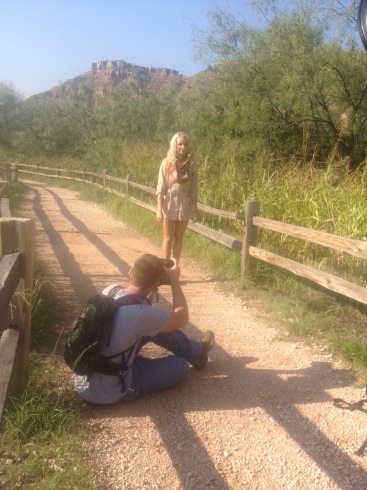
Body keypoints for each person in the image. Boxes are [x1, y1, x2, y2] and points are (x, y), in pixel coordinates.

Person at [74, 254, 214, 406]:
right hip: (109, 390)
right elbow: (182, 318)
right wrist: (174, 280)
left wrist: (151, 286)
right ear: (157, 283)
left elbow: (137, 309)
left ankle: (197, 352)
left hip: (86, 377)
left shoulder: (110, 291)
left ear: (131, 272)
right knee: (181, 365)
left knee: (157, 326)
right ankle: (195, 354)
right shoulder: (142, 314)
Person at [156, 132, 198, 263]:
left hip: (184, 205)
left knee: (179, 239)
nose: (183, 147)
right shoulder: (166, 163)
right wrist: (159, 210)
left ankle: (174, 268)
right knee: (168, 238)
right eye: (180, 144)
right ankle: (165, 270)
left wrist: (194, 210)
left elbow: (193, 190)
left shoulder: (191, 165)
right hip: (169, 204)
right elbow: (160, 188)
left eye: (185, 144)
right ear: (174, 145)